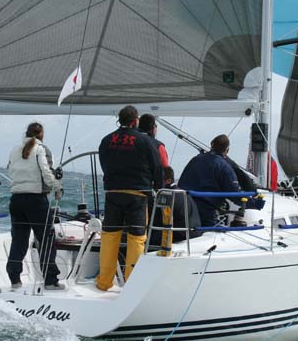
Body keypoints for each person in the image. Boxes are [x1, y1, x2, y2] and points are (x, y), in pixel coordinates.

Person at [96, 105, 163, 291]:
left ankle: (104, 282)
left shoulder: (106, 140)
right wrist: (159, 187)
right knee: (136, 239)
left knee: (109, 237)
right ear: (135, 121)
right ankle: (132, 284)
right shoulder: (145, 141)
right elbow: (157, 167)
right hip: (137, 195)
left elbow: (104, 163)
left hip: (112, 193)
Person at [6, 122, 64, 291]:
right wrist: (57, 186)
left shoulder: (14, 150)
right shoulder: (41, 150)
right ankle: (50, 280)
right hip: (36, 200)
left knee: (19, 240)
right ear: (41, 135)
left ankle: (14, 279)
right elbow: (46, 172)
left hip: (16, 199)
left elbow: (11, 172)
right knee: (46, 239)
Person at [178, 134, 240, 226]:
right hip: (206, 210)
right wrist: (252, 203)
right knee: (207, 231)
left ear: (211, 145)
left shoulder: (195, 160)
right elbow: (234, 193)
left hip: (185, 206)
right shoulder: (223, 166)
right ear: (227, 150)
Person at [149, 166, 202, 246]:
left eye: (157, 180)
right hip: (193, 233)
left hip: (180, 235)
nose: (154, 183)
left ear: (168, 181)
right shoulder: (182, 192)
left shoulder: (167, 195)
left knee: (145, 236)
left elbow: (157, 220)